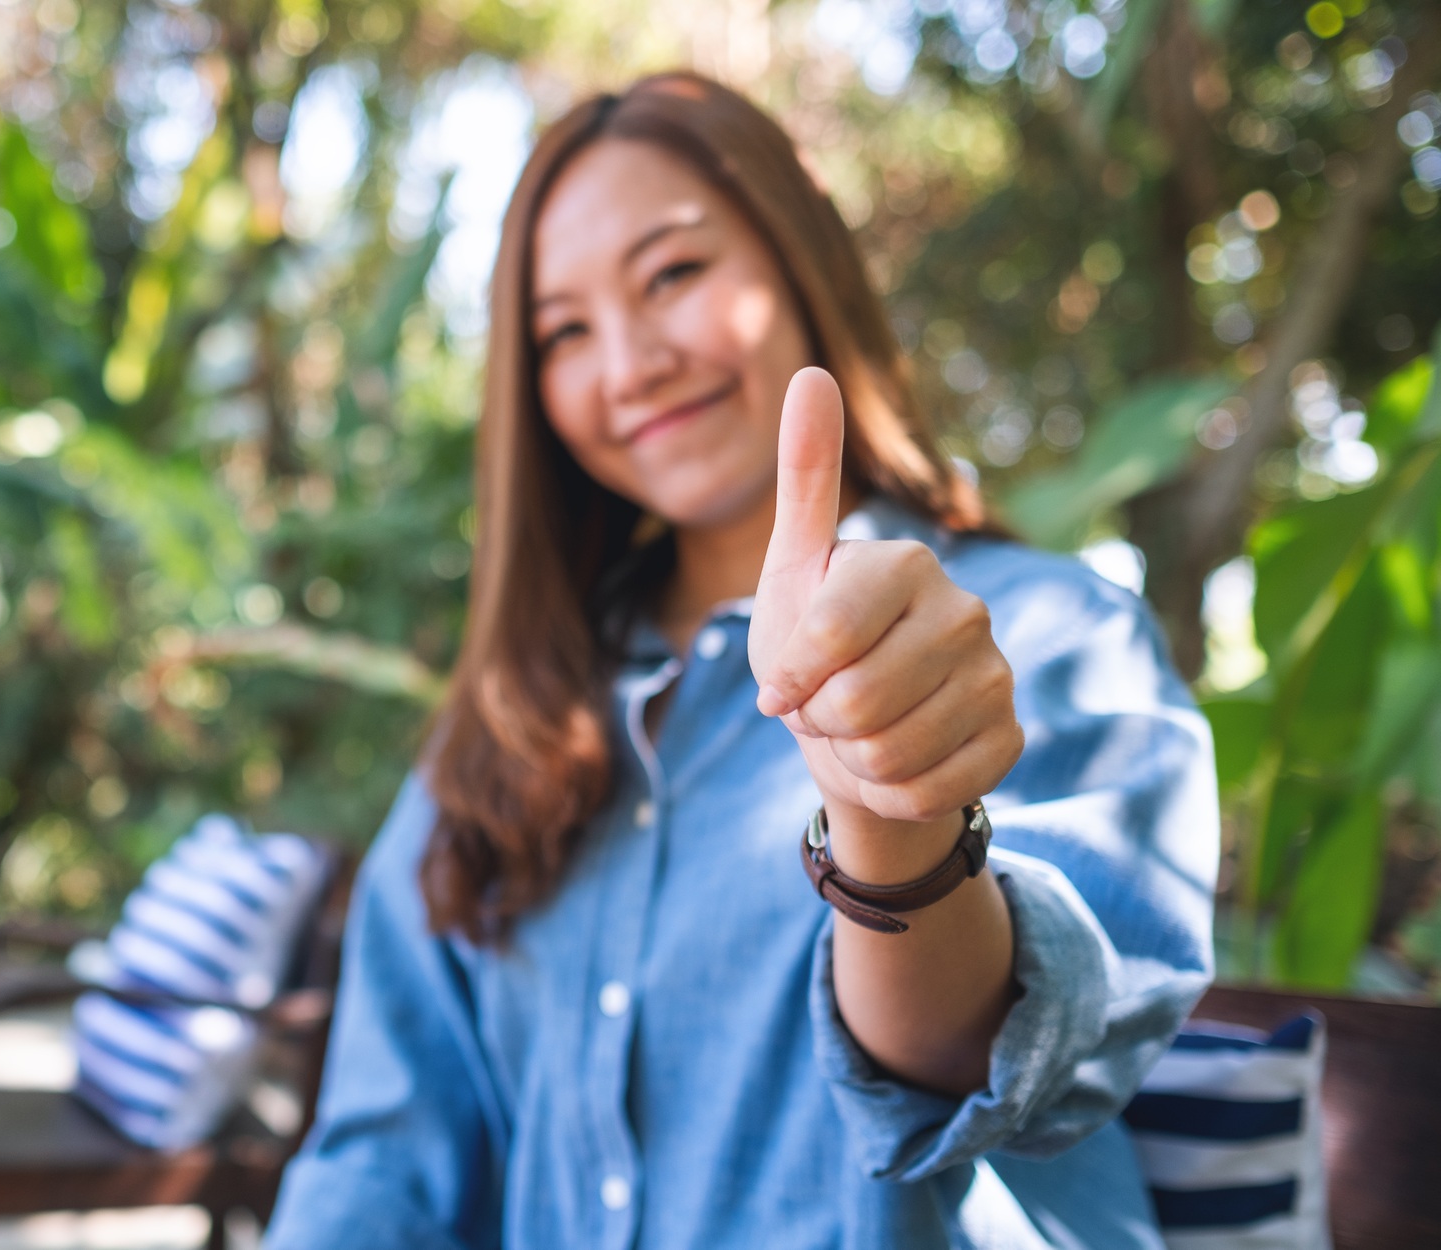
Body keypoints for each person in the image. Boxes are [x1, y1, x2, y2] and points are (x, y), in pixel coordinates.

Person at [263, 72, 1217, 1249]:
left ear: (797, 262)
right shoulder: (505, 725)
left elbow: (993, 1060)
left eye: (671, 273)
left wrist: (890, 810)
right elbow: (382, 1160)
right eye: (563, 330)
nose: (628, 364)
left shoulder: (1050, 636)